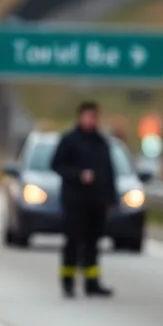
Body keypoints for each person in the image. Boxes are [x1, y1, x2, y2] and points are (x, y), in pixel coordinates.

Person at [49, 101, 117, 298]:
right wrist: (78, 175)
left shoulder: (101, 142)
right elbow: (57, 165)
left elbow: (109, 171)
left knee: (93, 243)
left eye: (93, 117)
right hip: (75, 201)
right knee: (72, 241)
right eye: (87, 116)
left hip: (96, 202)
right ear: (80, 117)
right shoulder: (69, 140)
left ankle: (92, 282)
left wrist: (110, 198)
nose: (90, 120)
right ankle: (68, 282)